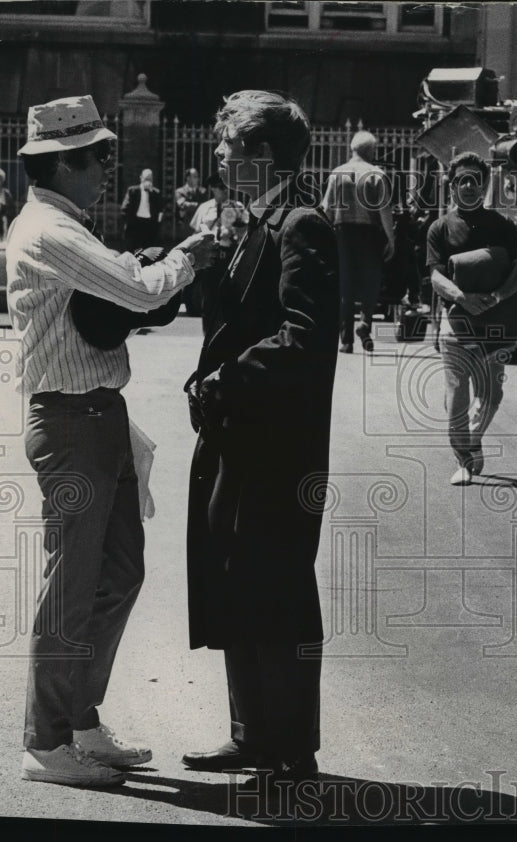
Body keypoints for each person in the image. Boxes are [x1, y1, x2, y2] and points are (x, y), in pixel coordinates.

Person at [5, 94, 214, 787]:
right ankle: (46, 741)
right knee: (71, 586)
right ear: (61, 163)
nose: (105, 166)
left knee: (119, 572)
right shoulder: (51, 233)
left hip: (96, 415)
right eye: (96, 156)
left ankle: (82, 721)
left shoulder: (68, 224)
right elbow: (141, 290)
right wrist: (191, 250)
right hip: (71, 422)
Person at [182, 90, 339, 787]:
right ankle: (251, 735)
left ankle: (292, 750)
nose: (218, 156)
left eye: (229, 147)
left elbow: (304, 335)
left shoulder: (302, 223)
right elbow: (234, 321)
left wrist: (225, 380)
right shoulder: (251, 220)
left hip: (278, 442)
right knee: (232, 577)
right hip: (237, 433)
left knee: (277, 587)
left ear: (262, 156)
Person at [426, 151, 517, 486]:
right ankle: (464, 460)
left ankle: (471, 439)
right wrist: (461, 298)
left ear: (484, 185)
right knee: (456, 396)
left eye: (475, 180)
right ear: (450, 185)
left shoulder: (502, 226)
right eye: (461, 180)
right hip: (455, 324)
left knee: (492, 394)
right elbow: (436, 276)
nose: (468, 186)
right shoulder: (439, 229)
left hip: (495, 325)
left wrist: (498, 296)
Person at [320, 130, 394, 353]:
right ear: (371, 150)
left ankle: (346, 340)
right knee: (371, 281)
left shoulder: (337, 173)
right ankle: (365, 323)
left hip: (342, 232)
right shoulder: (377, 174)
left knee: (346, 286)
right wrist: (391, 238)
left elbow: (327, 209)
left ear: (351, 149)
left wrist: (326, 237)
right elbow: (384, 210)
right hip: (370, 232)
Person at [188, 172, 248, 331]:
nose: (226, 190)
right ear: (213, 188)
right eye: (221, 187)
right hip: (210, 256)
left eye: (227, 187)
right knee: (209, 296)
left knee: (230, 296)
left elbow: (247, 232)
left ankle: (227, 333)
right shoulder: (205, 208)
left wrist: (235, 231)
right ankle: (208, 333)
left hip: (229, 255)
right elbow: (195, 233)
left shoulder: (237, 207)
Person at [121, 167, 166, 250]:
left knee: (148, 251)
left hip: (149, 225)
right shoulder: (133, 191)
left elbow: (161, 209)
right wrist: (129, 222)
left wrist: (157, 224)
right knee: (132, 250)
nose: (148, 181)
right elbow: (124, 208)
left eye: (150, 179)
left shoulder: (156, 192)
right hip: (135, 224)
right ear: (141, 178)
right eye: (146, 178)